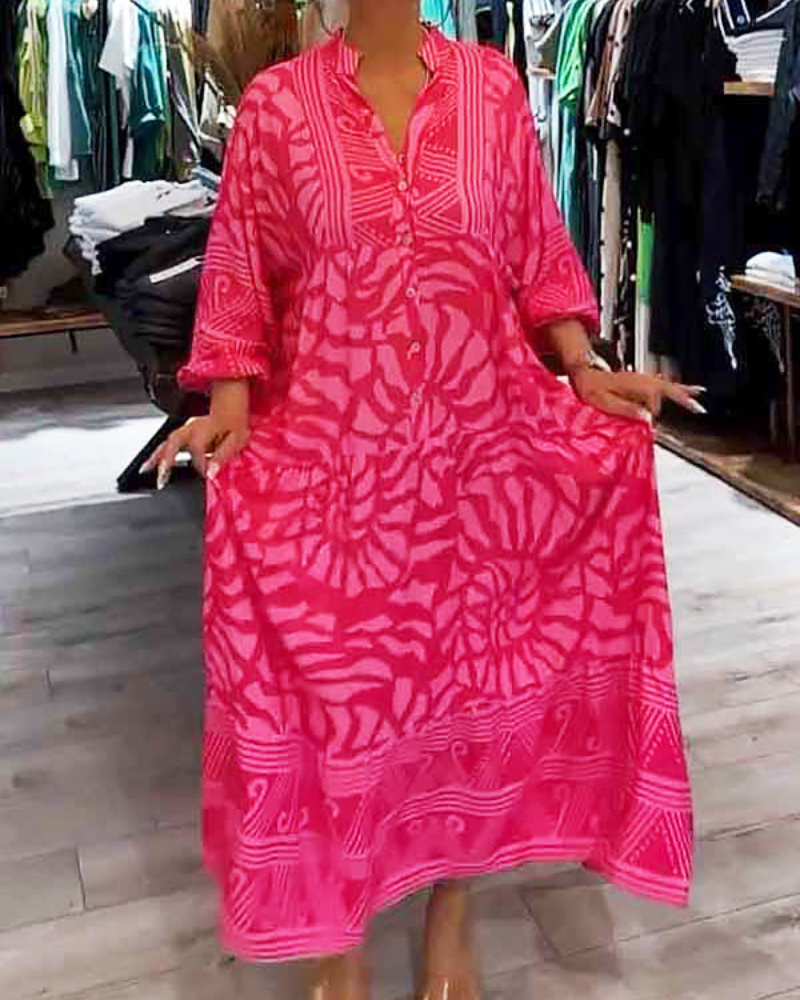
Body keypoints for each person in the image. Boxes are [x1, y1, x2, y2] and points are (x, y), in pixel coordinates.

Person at [147, 1, 698, 996]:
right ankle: (339, 932)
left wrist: (582, 366)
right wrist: (226, 404)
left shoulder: (493, 89)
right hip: (335, 469)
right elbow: (240, 270)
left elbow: (535, 246)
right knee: (337, 704)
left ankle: (451, 914)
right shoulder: (277, 106)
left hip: (480, 464)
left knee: (465, 692)